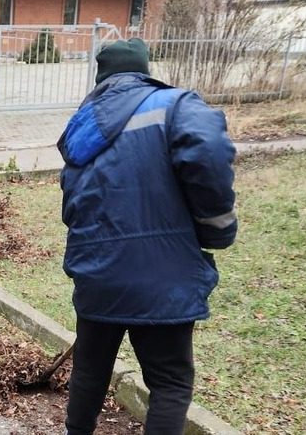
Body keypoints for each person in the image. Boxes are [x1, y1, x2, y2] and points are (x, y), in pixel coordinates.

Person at [57, 38, 237, 434]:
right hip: (164, 275)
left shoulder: (81, 124)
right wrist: (217, 227)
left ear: (101, 77)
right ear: (144, 70)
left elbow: (71, 204)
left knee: (90, 371)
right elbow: (209, 150)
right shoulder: (175, 106)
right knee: (170, 382)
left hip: (98, 275)